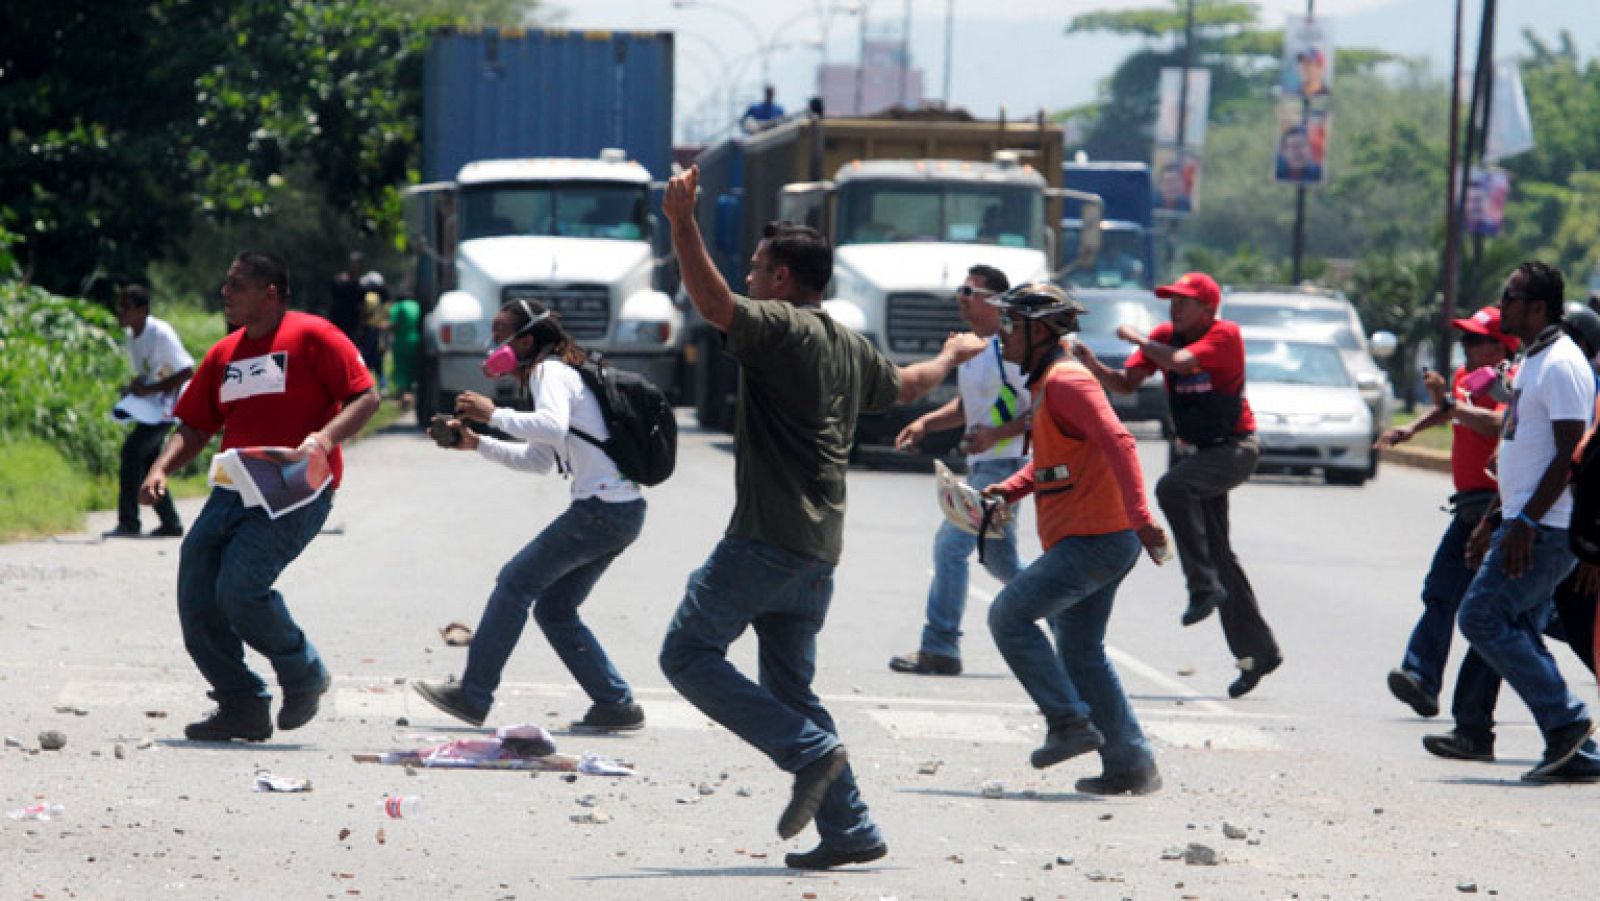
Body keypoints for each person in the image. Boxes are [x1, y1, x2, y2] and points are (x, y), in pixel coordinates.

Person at [658, 164, 984, 871]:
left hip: (766, 540)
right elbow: (905, 385)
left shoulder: (780, 327)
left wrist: (682, 222)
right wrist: (952, 354)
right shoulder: (846, 342)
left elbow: (715, 306)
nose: (748, 276)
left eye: (756, 266)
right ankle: (852, 827)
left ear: (782, 280)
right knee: (790, 688)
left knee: (685, 654)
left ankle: (809, 752)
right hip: (817, 552)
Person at [140, 251, 379, 742]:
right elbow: (196, 424)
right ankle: (241, 705)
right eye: (226, 285)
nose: (225, 293)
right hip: (236, 488)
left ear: (270, 292)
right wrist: (161, 467)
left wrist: (324, 439)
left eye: (237, 285)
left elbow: (366, 396)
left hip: (297, 490)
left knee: (240, 590)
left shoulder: (313, 336)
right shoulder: (224, 354)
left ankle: (304, 671)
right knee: (198, 592)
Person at [410, 299, 648, 732]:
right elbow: (540, 458)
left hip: (601, 510)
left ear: (527, 340)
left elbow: (552, 427)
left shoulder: (549, 371)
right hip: (619, 511)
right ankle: (616, 703)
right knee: (555, 608)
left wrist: (493, 414)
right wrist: (477, 443)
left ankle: (473, 694)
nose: (493, 342)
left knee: (515, 582)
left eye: (501, 332)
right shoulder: (553, 374)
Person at [981, 282, 1170, 795]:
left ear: (1039, 331)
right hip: (1096, 539)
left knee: (1008, 616)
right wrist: (1011, 490)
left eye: (1010, 325)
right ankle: (1131, 764)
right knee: (1081, 649)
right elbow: (1053, 463)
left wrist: (1139, 513)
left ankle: (1067, 722)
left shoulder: (1068, 382)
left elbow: (1119, 440)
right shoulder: (1049, 385)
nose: (1002, 336)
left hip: (1097, 539)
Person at [1073, 272, 1282, 698]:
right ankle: (1257, 651)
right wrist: (1092, 366)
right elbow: (1126, 383)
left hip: (1234, 449)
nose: (1175, 308)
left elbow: (1182, 363)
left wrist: (1136, 339)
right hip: (1198, 454)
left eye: (1184, 302)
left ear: (1208, 309)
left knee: (1172, 489)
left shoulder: (1224, 336)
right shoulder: (1166, 336)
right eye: (1171, 301)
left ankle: (1201, 586)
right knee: (1220, 554)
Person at [1453, 261, 1600, 783]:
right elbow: (1520, 448)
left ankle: (1567, 724)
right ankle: (1576, 749)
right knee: (1518, 625)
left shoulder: (1562, 364)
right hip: (1526, 520)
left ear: (1537, 307)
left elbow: (1568, 456)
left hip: (1548, 528)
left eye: (1510, 297)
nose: (1503, 304)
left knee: (1482, 618)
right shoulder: (1535, 359)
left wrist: (1526, 526)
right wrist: (1494, 518)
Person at [1376, 306, 1517, 723]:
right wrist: (1412, 429)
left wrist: (1454, 406)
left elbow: (1500, 425)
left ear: (1500, 345)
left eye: (1476, 340)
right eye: (1465, 339)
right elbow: (1450, 410)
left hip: (1496, 509)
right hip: (1469, 505)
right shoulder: (1464, 380)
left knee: (1519, 612)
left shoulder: (1510, 381)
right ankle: (1421, 677)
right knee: (1443, 591)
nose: (1467, 347)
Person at [889, 265, 1031, 676]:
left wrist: (994, 436)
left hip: (1006, 467)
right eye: (960, 289)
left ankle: (940, 645)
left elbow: (1042, 412)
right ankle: (1065, 611)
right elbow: (971, 408)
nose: (961, 297)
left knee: (951, 546)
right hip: (987, 464)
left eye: (970, 290)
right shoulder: (971, 348)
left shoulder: (1012, 349)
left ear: (995, 302)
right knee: (1000, 563)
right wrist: (926, 423)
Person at [105, 284, 194, 539]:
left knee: (132, 451)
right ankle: (171, 522)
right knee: (147, 460)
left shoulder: (160, 332)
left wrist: (151, 389)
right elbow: (150, 370)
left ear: (142, 310)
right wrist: (135, 388)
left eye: (127, 307)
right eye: (120, 307)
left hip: (168, 407)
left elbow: (186, 370)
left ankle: (129, 521)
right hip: (151, 405)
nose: (121, 313)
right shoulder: (132, 336)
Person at [388, 286, 421, 410]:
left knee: (402, 370)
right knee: (413, 368)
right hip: (417, 341)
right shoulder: (417, 305)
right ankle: (413, 395)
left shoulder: (398, 307)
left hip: (401, 342)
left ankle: (404, 396)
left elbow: (394, 324)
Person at [357, 270, 389, 389]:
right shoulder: (385, 300)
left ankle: (367, 385)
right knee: (379, 360)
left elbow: (363, 314)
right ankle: (383, 386)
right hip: (381, 331)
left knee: (366, 358)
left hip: (369, 330)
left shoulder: (369, 297)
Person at [326, 251, 366, 342]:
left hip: (352, 325)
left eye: (357, 263)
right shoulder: (339, 281)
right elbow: (332, 301)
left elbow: (361, 307)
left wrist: (360, 327)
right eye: (353, 262)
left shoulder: (361, 286)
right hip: (337, 321)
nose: (354, 266)